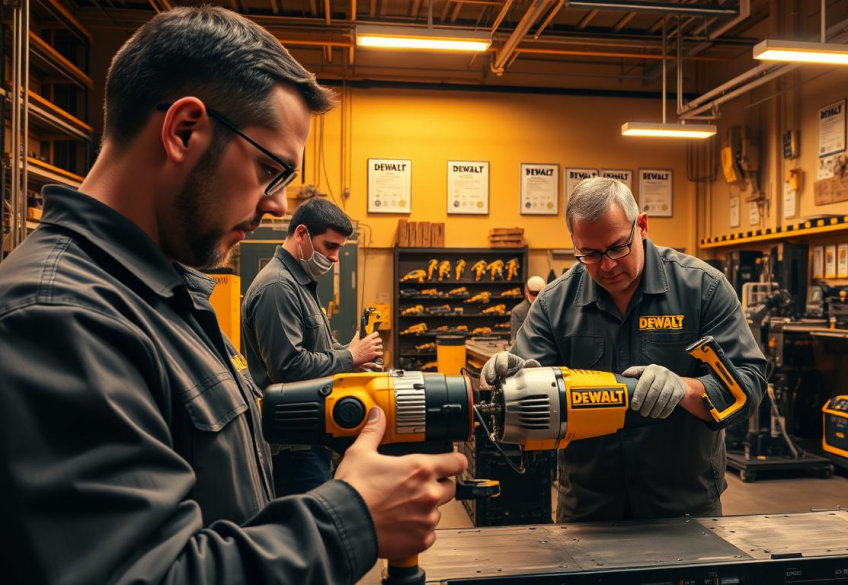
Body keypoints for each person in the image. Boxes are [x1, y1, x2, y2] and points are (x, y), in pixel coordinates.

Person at [0, 7, 465, 583]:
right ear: (184, 131)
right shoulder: (58, 318)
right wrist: (352, 516)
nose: (275, 205)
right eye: (269, 170)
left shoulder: (166, 297)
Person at [482, 177, 767, 523]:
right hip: (588, 509)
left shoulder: (703, 290)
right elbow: (528, 389)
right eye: (589, 254)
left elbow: (748, 385)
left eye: (617, 247)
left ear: (642, 226)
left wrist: (685, 388)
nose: (606, 265)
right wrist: (510, 380)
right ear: (574, 242)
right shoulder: (553, 304)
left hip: (684, 506)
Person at [242, 197, 384, 496]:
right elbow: (288, 367)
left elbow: (315, 349)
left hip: (310, 436)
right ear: (302, 234)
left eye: (339, 250)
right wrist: (348, 357)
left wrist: (353, 357)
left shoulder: (299, 283)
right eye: (330, 246)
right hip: (293, 446)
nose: (334, 258)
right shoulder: (278, 287)